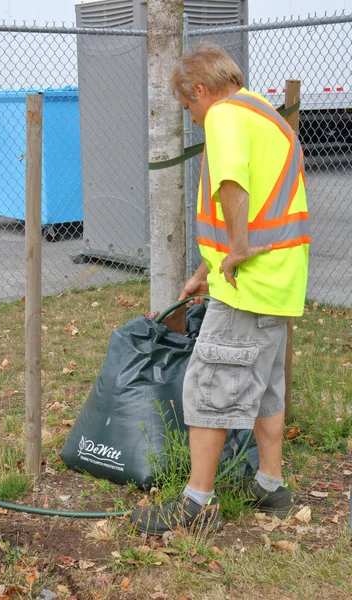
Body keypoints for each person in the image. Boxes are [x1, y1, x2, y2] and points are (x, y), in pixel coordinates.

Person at [131, 42, 309, 534]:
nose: (190, 117)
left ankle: (196, 504)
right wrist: (202, 272)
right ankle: (271, 486)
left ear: (202, 90)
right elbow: (267, 204)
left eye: (188, 105)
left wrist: (234, 248)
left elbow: (232, 184)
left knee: (207, 387)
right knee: (267, 389)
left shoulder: (225, 117)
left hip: (245, 287)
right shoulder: (265, 115)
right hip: (278, 284)